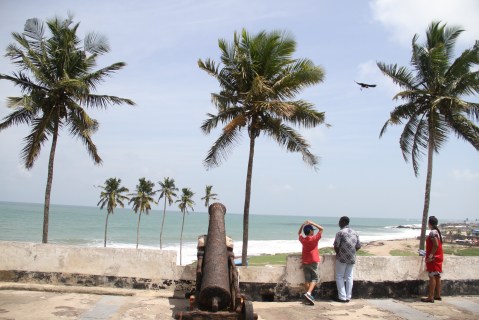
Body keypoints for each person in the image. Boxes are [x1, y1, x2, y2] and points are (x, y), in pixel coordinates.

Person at [333, 216, 361, 303]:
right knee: (349, 277)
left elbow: (336, 246)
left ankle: (342, 297)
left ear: (343, 222)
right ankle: (348, 297)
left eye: (340, 222)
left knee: (339, 276)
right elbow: (358, 246)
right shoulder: (355, 233)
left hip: (341, 257)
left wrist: (340, 254)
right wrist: (351, 253)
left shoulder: (340, 233)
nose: (339, 224)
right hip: (352, 257)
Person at [298, 220, 324, 305]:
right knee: (315, 279)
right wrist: (312, 223)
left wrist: (302, 225)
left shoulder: (303, 240)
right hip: (313, 260)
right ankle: (308, 293)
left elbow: (299, 234)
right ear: (311, 231)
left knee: (307, 279)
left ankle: (308, 296)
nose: (313, 231)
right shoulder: (314, 239)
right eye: (312, 230)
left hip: (305, 261)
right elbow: (321, 229)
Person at [421, 216, 444, 303]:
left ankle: (430, 297)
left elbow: (436, 245)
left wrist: (430, 256)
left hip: (434, 258)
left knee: (431, 276)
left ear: (429, 223)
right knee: (437, 276)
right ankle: (437, 295)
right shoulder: (437, 232)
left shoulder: (432, 233)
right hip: (438, 256)